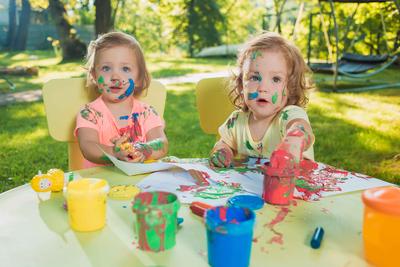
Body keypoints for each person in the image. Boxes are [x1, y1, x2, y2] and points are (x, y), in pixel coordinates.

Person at [209, 31, 315, 169]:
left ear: (291, 88)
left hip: (295, 185)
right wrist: (222, 152)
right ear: (241, 85)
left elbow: (301, 128)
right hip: (254, 188)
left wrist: (294, 142)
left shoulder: (289, 115)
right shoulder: (236, 122)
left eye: (276, 79)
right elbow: (223, 144)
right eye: (254, 77)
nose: (263, 88)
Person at [75, 31, 168, 168]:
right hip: (101, 184)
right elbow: (88, 146)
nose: (115, 77)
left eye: (125, 68)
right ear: (94, 75)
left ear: (139, 77)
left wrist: (143, 149)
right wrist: (114, 152)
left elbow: (162, 143)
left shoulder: (146, 112)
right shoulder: (90, 113)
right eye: (106, 68)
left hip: (140, 182)